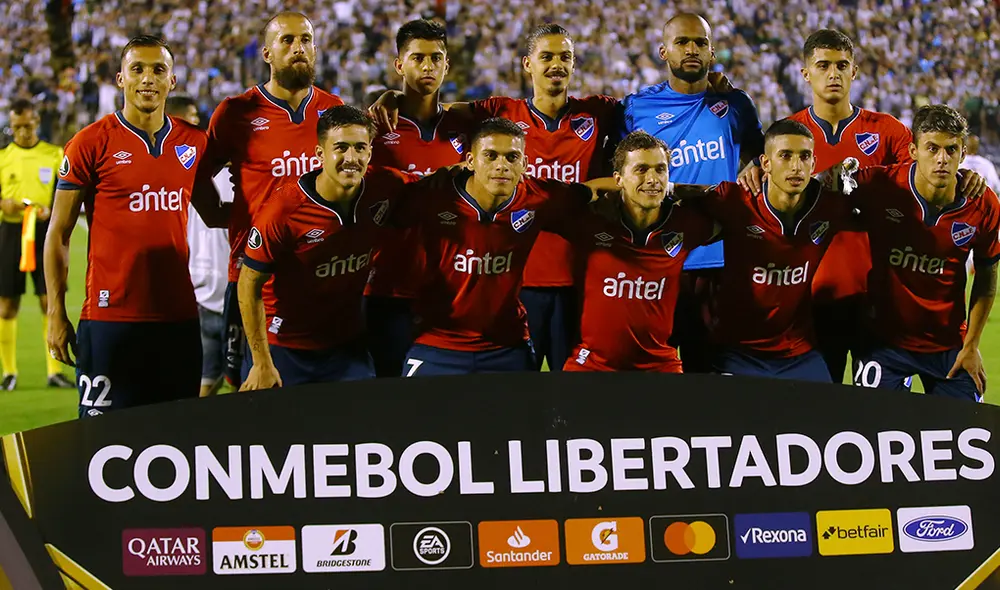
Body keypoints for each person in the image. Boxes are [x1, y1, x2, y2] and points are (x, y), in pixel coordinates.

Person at [737, 29, 987, 384]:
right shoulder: (789, 138)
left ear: (855, 71)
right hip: (813, 299)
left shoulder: (887, 132)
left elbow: (925, 181)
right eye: (823, 66)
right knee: (823, 409)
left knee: (876, 414)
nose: (834, 74)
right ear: (806, 73)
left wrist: (963, 177)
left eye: (842, 65)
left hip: (880, 303)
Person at [371, 23, 620, 374]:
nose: (556, 64)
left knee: (574, 391)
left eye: (565, 57)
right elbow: (432, 105)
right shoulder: (498, 112)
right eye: (546, 56)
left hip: (578, 277)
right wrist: (396, 96)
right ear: (527, 64)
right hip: (511, 284)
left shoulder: (601, 111)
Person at [46, 35, 228, 418]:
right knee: (100, 444)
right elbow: (59, 233)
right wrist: (55, 313)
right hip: (110, 318)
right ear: (120, 79)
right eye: (138, 69)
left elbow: (217, 214)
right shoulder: (90, 143)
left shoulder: (193, 142)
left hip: (178, 318)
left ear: (172, 82)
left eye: (158, 70)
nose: (148, 78)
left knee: (177, 441)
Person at [397, 118, 615, 376]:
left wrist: (665, 188)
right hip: (437, 344)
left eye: (512, 157)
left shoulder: (539, 197)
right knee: (419, 417)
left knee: (521, 417)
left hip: (507, 346)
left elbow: (593, 192)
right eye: (490, 156)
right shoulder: (434, 195)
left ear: (524, 164)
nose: (501, 165)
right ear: (469, 161)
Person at [196, 11, 344, 388]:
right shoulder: (236, 112)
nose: (299, 48)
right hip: (254, 276)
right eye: (288, 40)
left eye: (306, 40)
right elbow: (198, 176)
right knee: (250, 387)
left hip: (319, 272)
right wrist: (218, 213)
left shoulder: (333, 109)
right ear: (266, 53)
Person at [619, 13, 765, 374]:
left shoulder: (735, 104)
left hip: (720, 262)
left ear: (712, 51)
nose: (692, 49)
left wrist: (752, 168)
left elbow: (762, 159)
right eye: (682, 42)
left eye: (700, 42)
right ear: (663, 51)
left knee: (715, 377)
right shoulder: (635, 109)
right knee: (654, 372)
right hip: (659, 262)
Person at [238, 106, 418, 389]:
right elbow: (248, 283)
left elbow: (436, 187)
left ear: (370, 152)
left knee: (359, 431)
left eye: (360, 148)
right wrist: (261, 363)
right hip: (285, 346)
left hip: (346, 348)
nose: (351, 158)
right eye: (341, 148)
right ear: (320, 154)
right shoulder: (284, 210)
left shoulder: (386, 186)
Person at [676, 120, 854, 381]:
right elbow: (676, 201)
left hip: (800, 354)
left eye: (804, 157)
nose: (796, 166)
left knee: (827, 419)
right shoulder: (735, 201)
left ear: (813, 164)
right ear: (765, 163)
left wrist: (847, 168)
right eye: (785, 156)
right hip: (736, 352)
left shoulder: (831, 206)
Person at [848, 105, 999, 401]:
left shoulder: (983, 205)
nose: (942, 159)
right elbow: (815, 192)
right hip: (884, 343)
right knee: (874, 431)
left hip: (947, 345)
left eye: (950, 149)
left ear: (963, 153)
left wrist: (971, 345)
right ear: (913, 151)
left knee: (964, 437)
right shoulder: (879, 185)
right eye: (932, 148)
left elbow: (987, 274)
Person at [559, 131, 718, 372]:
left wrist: (676, 189)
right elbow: (576, 193)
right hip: (592, 365)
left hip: (659, 365)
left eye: (660, 170)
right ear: (618, 179)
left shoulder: (685, 225)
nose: (653, 179)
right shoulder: (591, 221)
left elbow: (733, 211)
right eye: (641, 170)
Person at [364, 19, 470, 379]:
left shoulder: (466, 128)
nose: (427, 66)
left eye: (436, 58)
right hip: (388, 290)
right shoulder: (375, 130)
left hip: (452, 289)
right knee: (390, 402)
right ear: (399, 65)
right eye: (417, 58)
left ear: (447, 65)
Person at [0, 99, 73, 390]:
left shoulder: (54, 155)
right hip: (10, 233)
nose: (22, 132)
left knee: (49, 301)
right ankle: (9, 372)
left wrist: (50, 210)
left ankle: (54, 371)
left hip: (45, 233)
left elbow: (65, 194)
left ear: (37, 122)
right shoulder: (3, 157)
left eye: (27, 126)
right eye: (17, 127)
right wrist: (4, 203)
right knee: (6, 306)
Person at [166, 94, 231, 397]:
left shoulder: (176, 171)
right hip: (223, 283)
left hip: (201, 284)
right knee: (227, 376)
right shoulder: (210, 172)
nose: (197, 124)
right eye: (192, 117)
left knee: (209, 376)